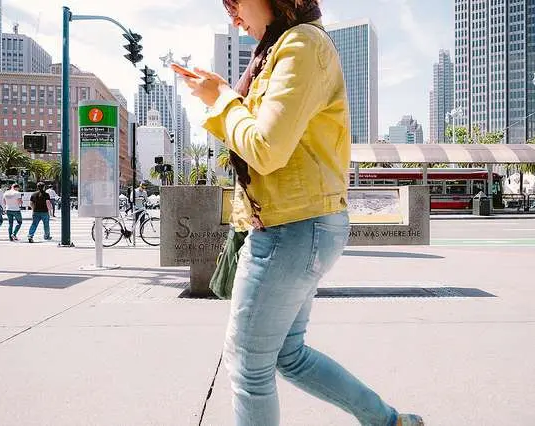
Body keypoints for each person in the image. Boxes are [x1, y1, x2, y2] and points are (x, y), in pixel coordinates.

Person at [181, 1, 424, 425]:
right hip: (297, 223)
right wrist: (225, 94)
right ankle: (388, 421)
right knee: (287, 356)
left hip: (290, 228)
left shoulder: (300, 44)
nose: (233, 17)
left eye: (236, 3)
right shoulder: (284, 46)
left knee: (248, 368)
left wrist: (221, 100)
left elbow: (265, 148)